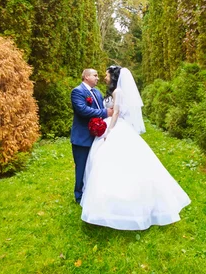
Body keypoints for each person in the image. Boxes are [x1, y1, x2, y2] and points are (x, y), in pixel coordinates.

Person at [80, 66, 191, 230]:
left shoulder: (118, 92)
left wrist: (109, 131)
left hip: (116, 127)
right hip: (114, 125)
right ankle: (109, 200)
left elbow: (116, 113)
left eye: (106, 74)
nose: (104, 77)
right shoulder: (114, 91)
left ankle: (120, 203)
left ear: (113, 76)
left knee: (115, 164)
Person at [70, 68, 113, 203]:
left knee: (94, 165)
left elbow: (100, 106)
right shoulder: (77, 91)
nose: (97, 78)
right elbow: (83, 110)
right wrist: (105, 113)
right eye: (95, 75)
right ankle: (79, 195)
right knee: (81, 166)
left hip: (97, 135)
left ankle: (91, 192)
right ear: (86, 77)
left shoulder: (97, 92)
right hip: (82, 137)